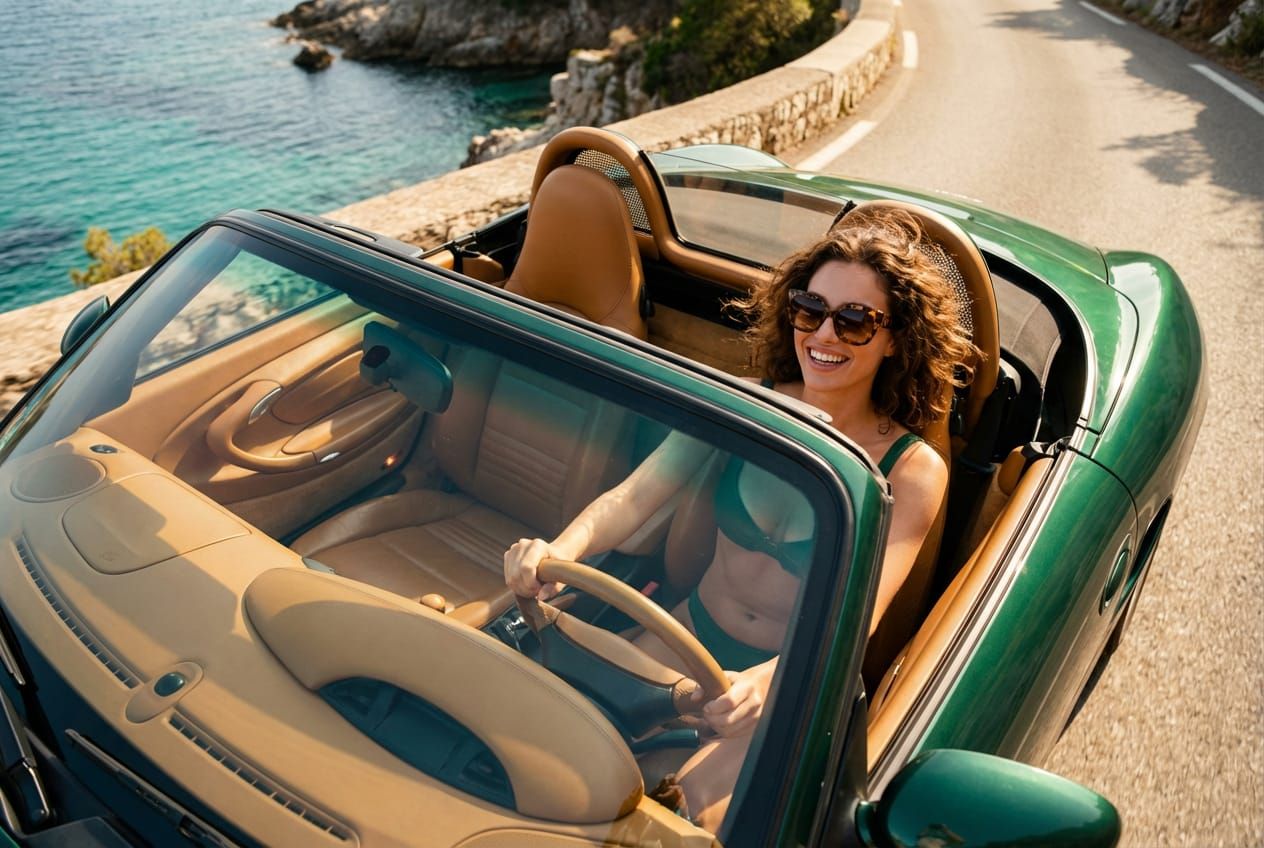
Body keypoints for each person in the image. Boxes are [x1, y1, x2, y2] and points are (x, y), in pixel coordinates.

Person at [503, 206, 979, 831]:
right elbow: (633, 499)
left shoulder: (911, 472)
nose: (825, 335)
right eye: (811, 310)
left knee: (679, 819)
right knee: (539, 755)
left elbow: (856, 620)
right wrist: (555, 550)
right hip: (684, 636)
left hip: (784, 682)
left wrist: (769, 686)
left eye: (856, 321)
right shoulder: (750, 404)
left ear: (896, 338)